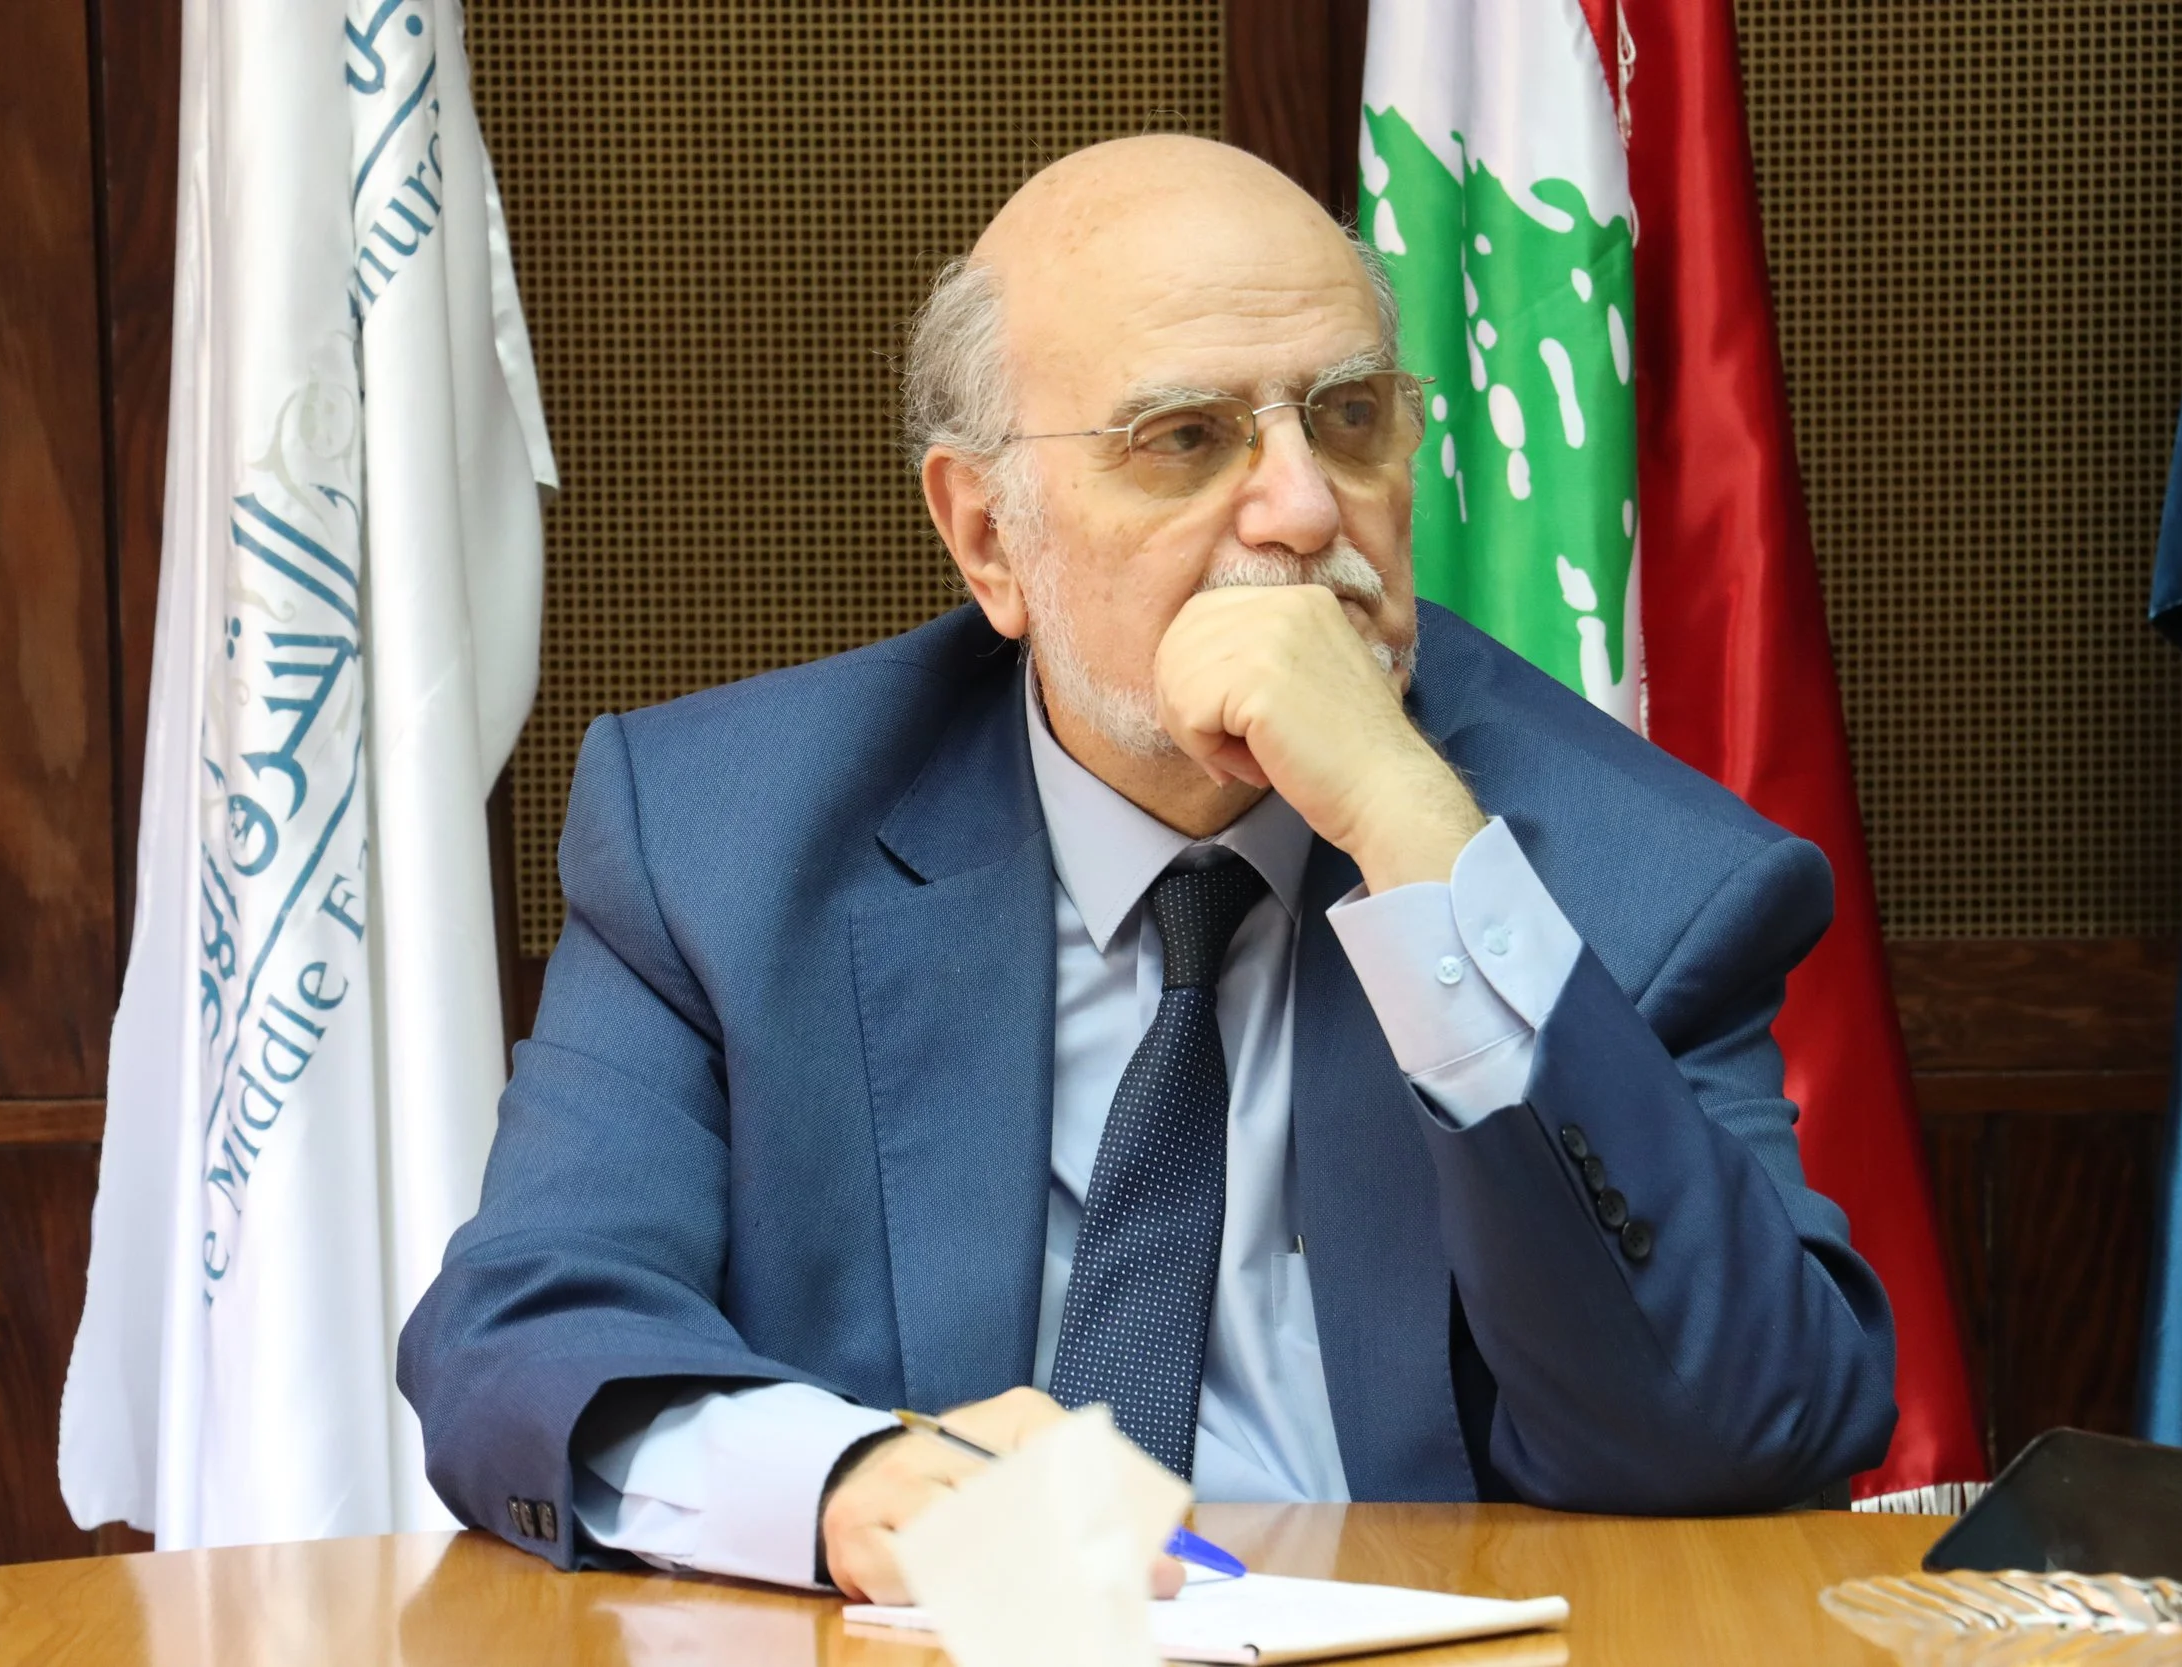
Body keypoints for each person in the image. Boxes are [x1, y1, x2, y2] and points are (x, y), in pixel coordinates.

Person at [398, 134, 1897, 1604]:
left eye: (1351, 416)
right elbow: (524, 1337)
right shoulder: (724, 840)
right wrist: (842, 1486)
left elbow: (1753, 1423)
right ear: (989, 537)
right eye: (1186, 438)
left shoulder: (1636, 876)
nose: (1305, 510)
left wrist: (1415, 838)